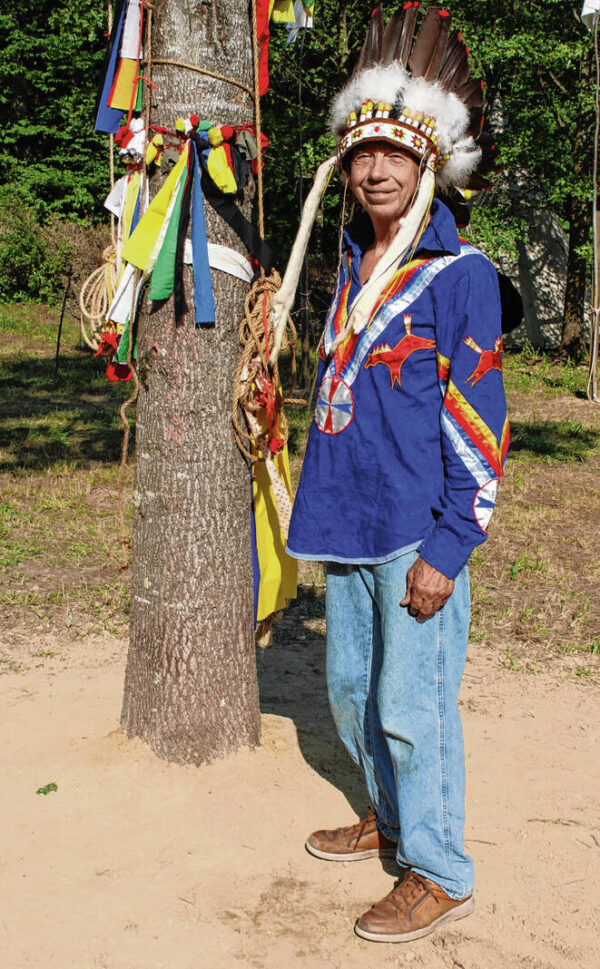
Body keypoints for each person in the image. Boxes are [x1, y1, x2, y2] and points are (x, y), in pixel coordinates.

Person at [285, 5, 509, 945]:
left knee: (414, 710)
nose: (375, 168)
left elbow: (481, 421)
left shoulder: (460, 274)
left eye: (394, 156)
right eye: (362, 154)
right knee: (350, 690)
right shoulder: (348, 267)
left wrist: (451, 546)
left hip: (419, 529)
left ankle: (440, 868)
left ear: (426, 169)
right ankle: (390, 816)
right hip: (348, 519)